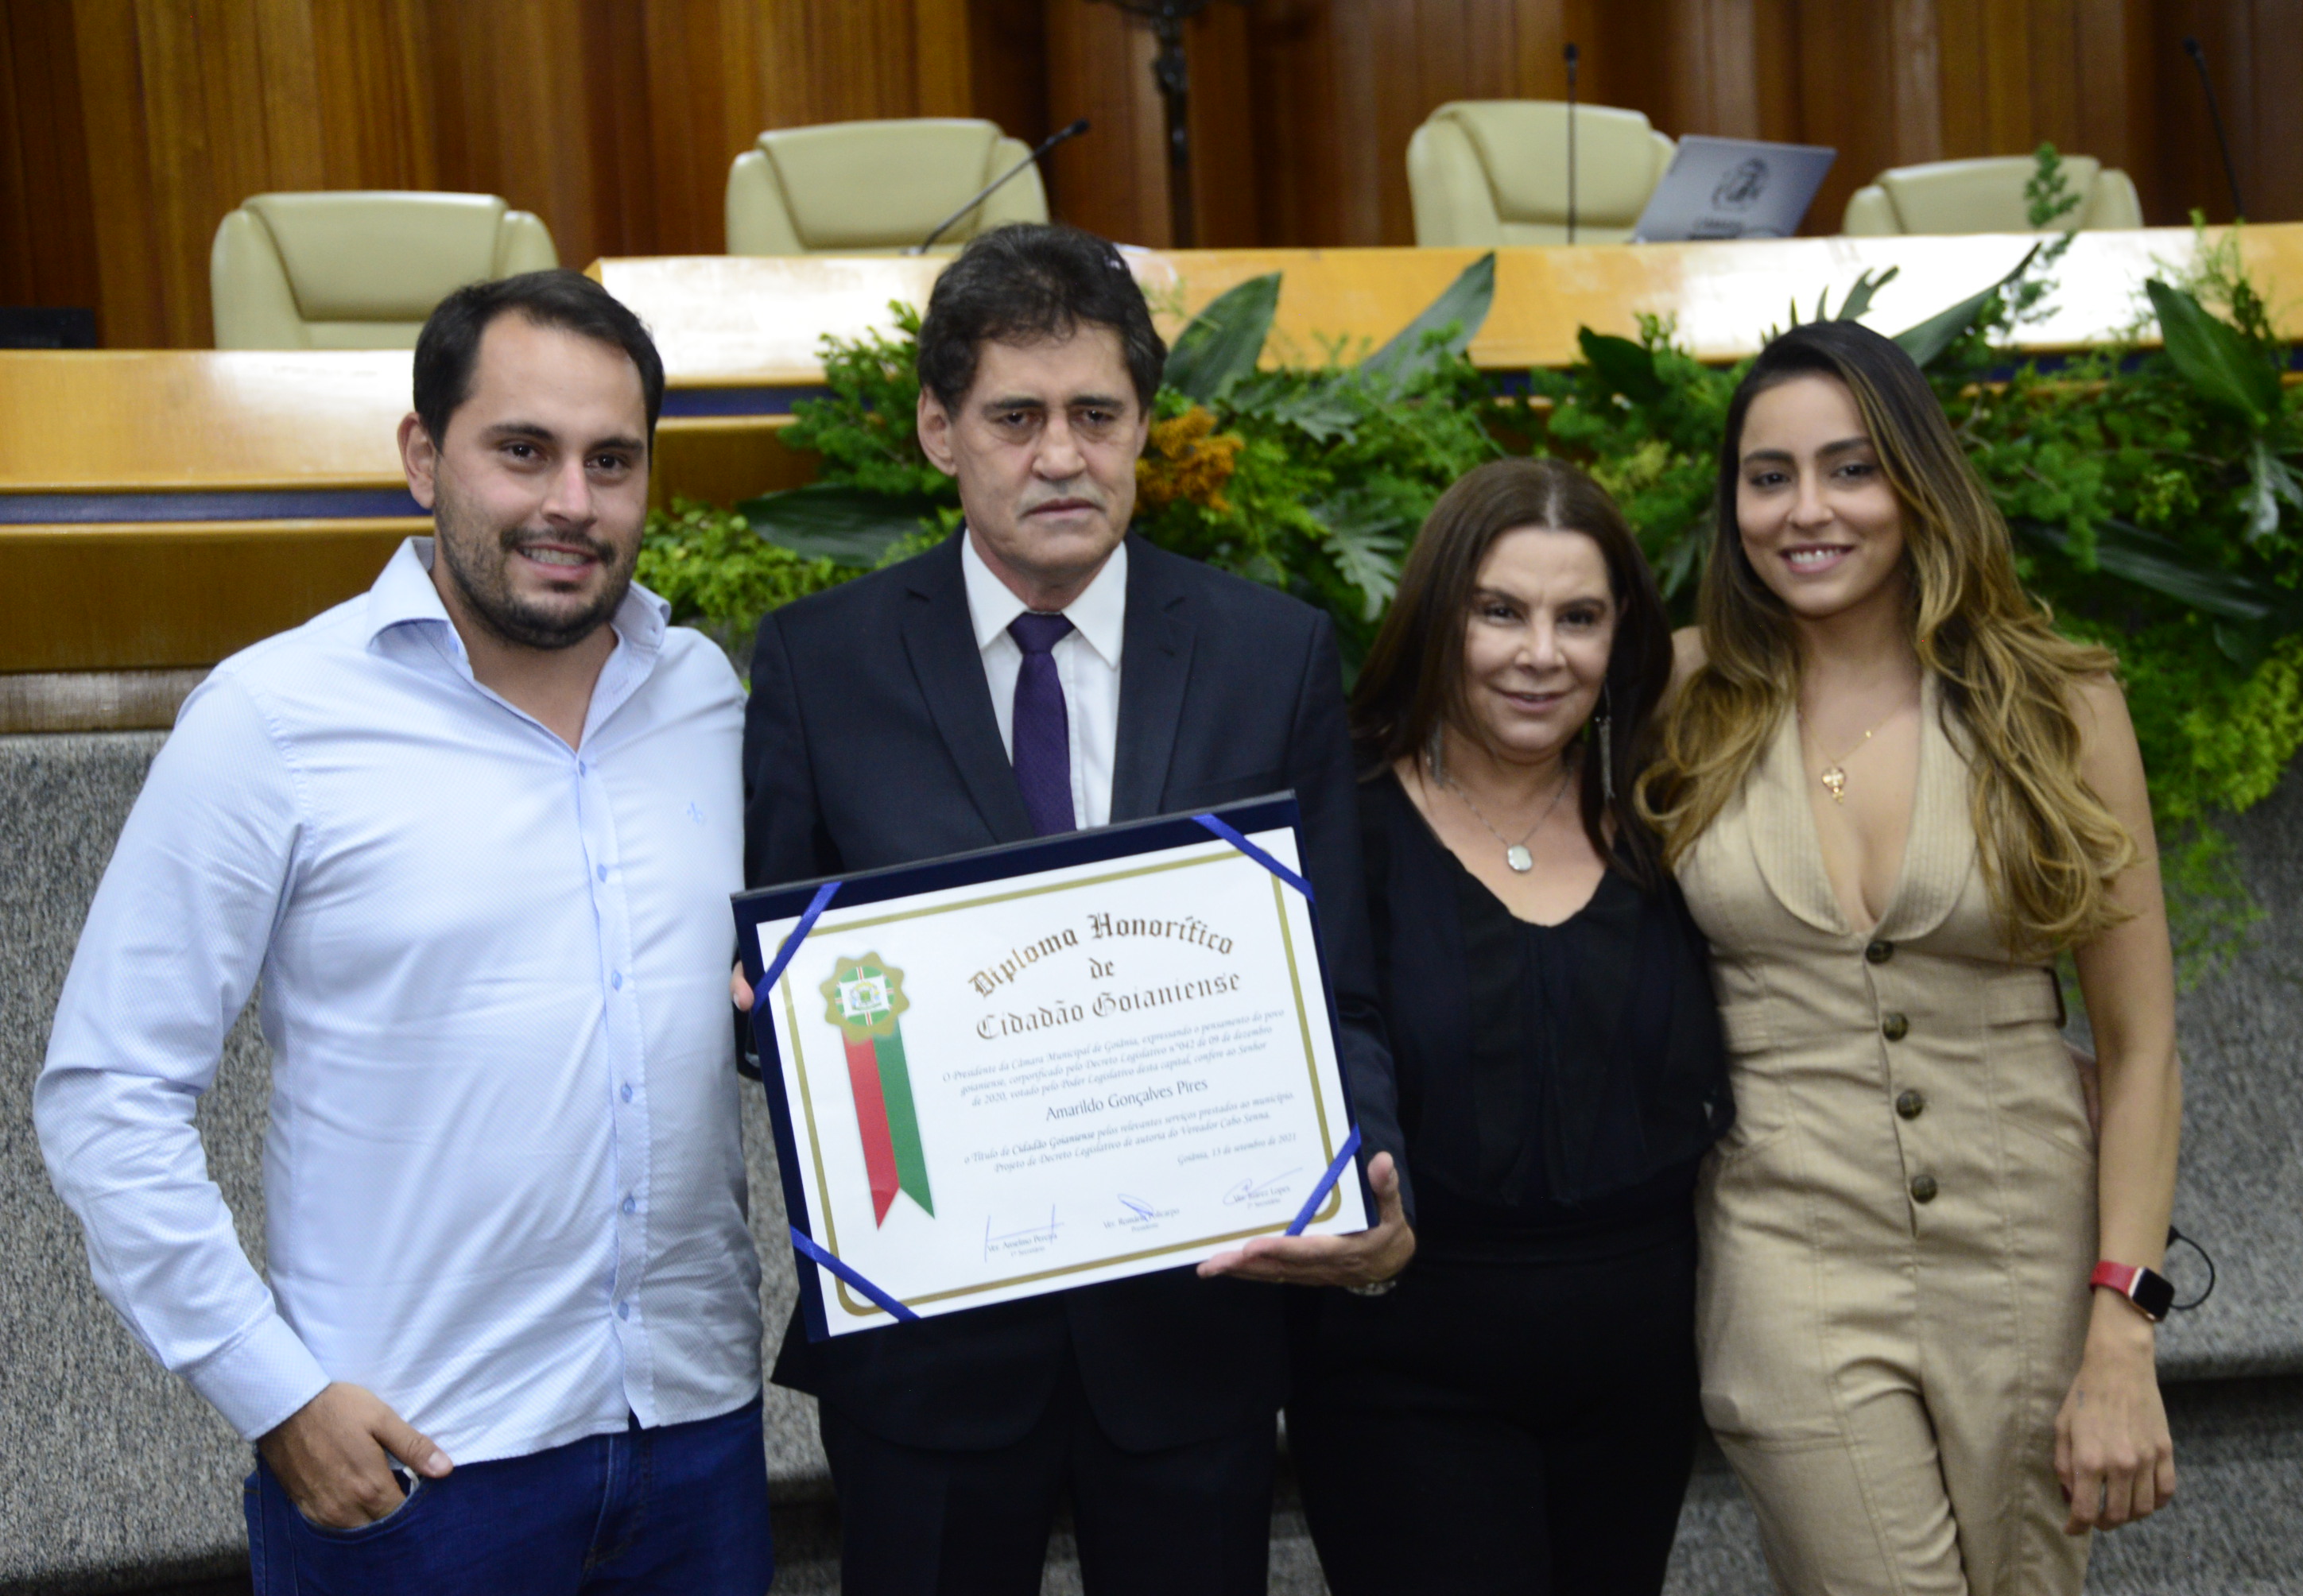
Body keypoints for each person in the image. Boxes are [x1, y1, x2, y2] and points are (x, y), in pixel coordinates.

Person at [35, 271, 772, 1594]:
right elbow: (107, 1093)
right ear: (424, 458)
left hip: (695, 1438)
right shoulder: (272, 719)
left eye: (612, 461)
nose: (572, 502)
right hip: (416, 1474)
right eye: (523, 451)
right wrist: (274, 1394)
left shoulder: (704, 696)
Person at [737, 221, 1413, 1596]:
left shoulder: (1268, 653)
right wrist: (765, 1015)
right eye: (1017, 417)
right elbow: (776, 1004)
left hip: (1194, 1339)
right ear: (940, 431)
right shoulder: (820, 664)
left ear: (1144, 427)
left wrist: (1369, 1179)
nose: (1062, 455)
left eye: (1097, 415)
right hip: (928, 1352)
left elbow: (1333, 981)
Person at [1638, 320, 2181, 1594]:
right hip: (1787, 1258)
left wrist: (2123, 1329)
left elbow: (2142, 1043)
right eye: (1768, 477)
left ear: (1919, 482)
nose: (1806, 510)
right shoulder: (1675, 695)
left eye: (1851, 469)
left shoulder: (2056, 702)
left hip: (2030, 1254)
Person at [1284, 457, 1733, 1594]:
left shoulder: (1671, 814)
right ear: (1439, 618)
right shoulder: (1340, 821)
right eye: (1500, 612)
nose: (1541, 654)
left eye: (1579, 618)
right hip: (1402, 1376)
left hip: (1641, 1381)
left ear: (1621, 636)